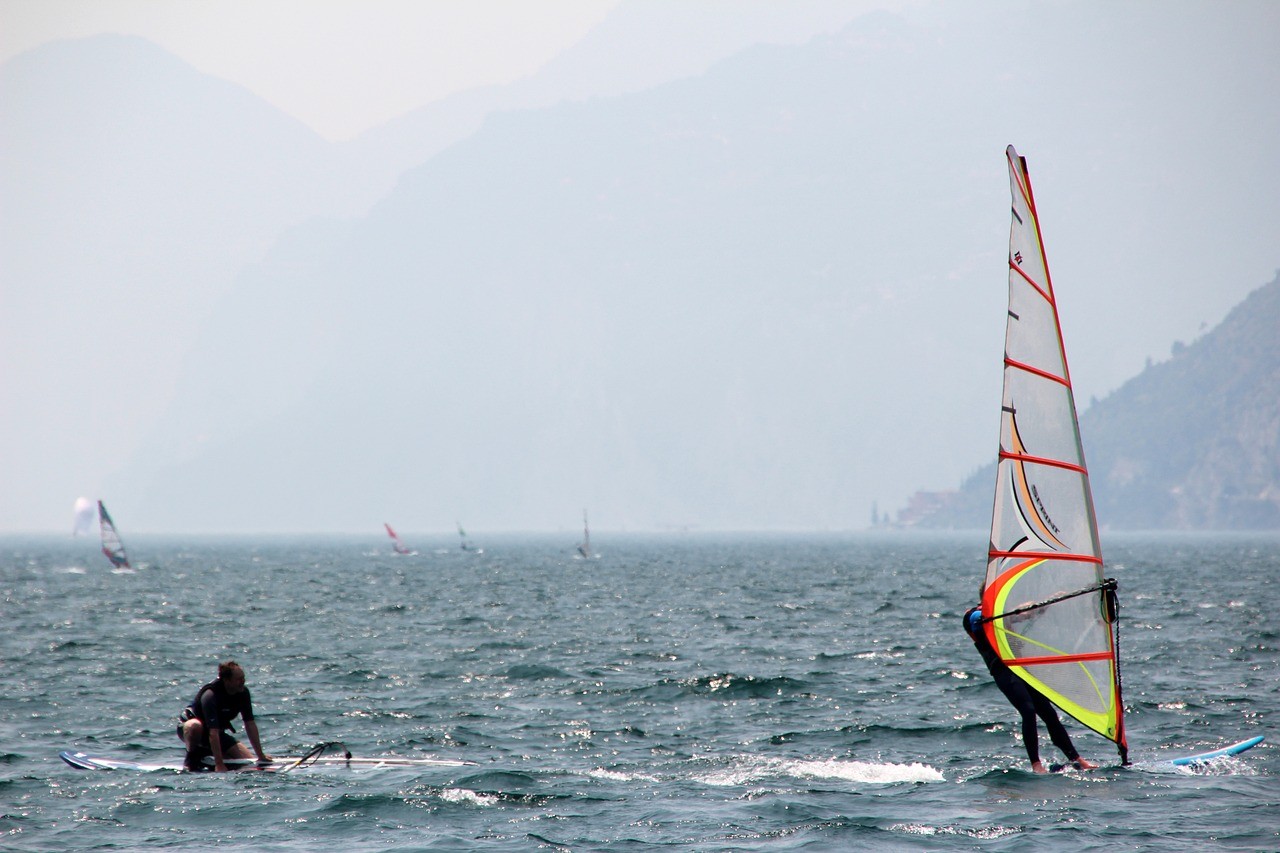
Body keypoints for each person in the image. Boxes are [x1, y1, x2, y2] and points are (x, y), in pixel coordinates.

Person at [963, 606, 1097, 773]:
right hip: (1003, 671)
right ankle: (1036, 765)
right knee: (1028, 711)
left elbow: (1020, 613)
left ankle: (1076, 759)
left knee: (1049, 713)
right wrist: (1005, 613)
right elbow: (979, 622)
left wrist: (1040, 606)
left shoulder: (1001, 612)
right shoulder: (973, 616)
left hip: (1020, 667)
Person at [177, 660, 272, 772]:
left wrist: (260, 755)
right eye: (238, 679)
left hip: (214, 733)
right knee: (195, 726)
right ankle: (191, 759)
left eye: (243, 678)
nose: (243, 681)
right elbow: (213, 732)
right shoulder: (210, 695)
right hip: (191, 729)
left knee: (246, 760)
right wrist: (219, 764)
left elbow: (250, 724)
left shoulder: (243, 693)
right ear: (227, 680)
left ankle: (209, 754)